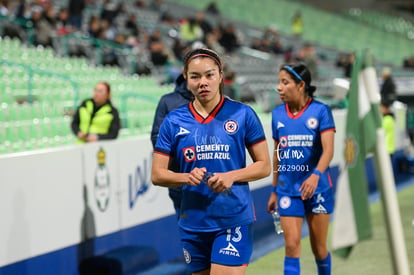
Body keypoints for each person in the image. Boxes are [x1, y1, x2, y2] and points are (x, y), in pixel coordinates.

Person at [151, 48, 271, 275]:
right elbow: (157, 174)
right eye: (195, 76)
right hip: (192, 221)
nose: (203, 82)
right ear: (186, 79)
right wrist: (186, 177)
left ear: (220, 75)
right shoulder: (173, 120)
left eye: (209, 75)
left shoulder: (243, 114)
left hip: (232, 218)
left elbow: (264, 165)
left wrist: (232, 176)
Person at [267, 64, 335, 275]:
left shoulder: (321, 111)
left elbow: (328, 151)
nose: (279, 88)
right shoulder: (278, 115)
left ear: (301, 85)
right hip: (288, 190)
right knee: (292, 245)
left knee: (319, 248)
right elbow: (277, 153)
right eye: (279, 82)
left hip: (318, 189)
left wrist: (315, 176)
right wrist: (274, 189)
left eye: (285, 82)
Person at [150, 73, 193, 218]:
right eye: (196, 75)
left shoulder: (215, 101)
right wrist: (180, 157)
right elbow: (157, 136)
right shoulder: (168, 101)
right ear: (186, 73)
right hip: (179, 178)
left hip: (212, 179)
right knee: (189, 231)